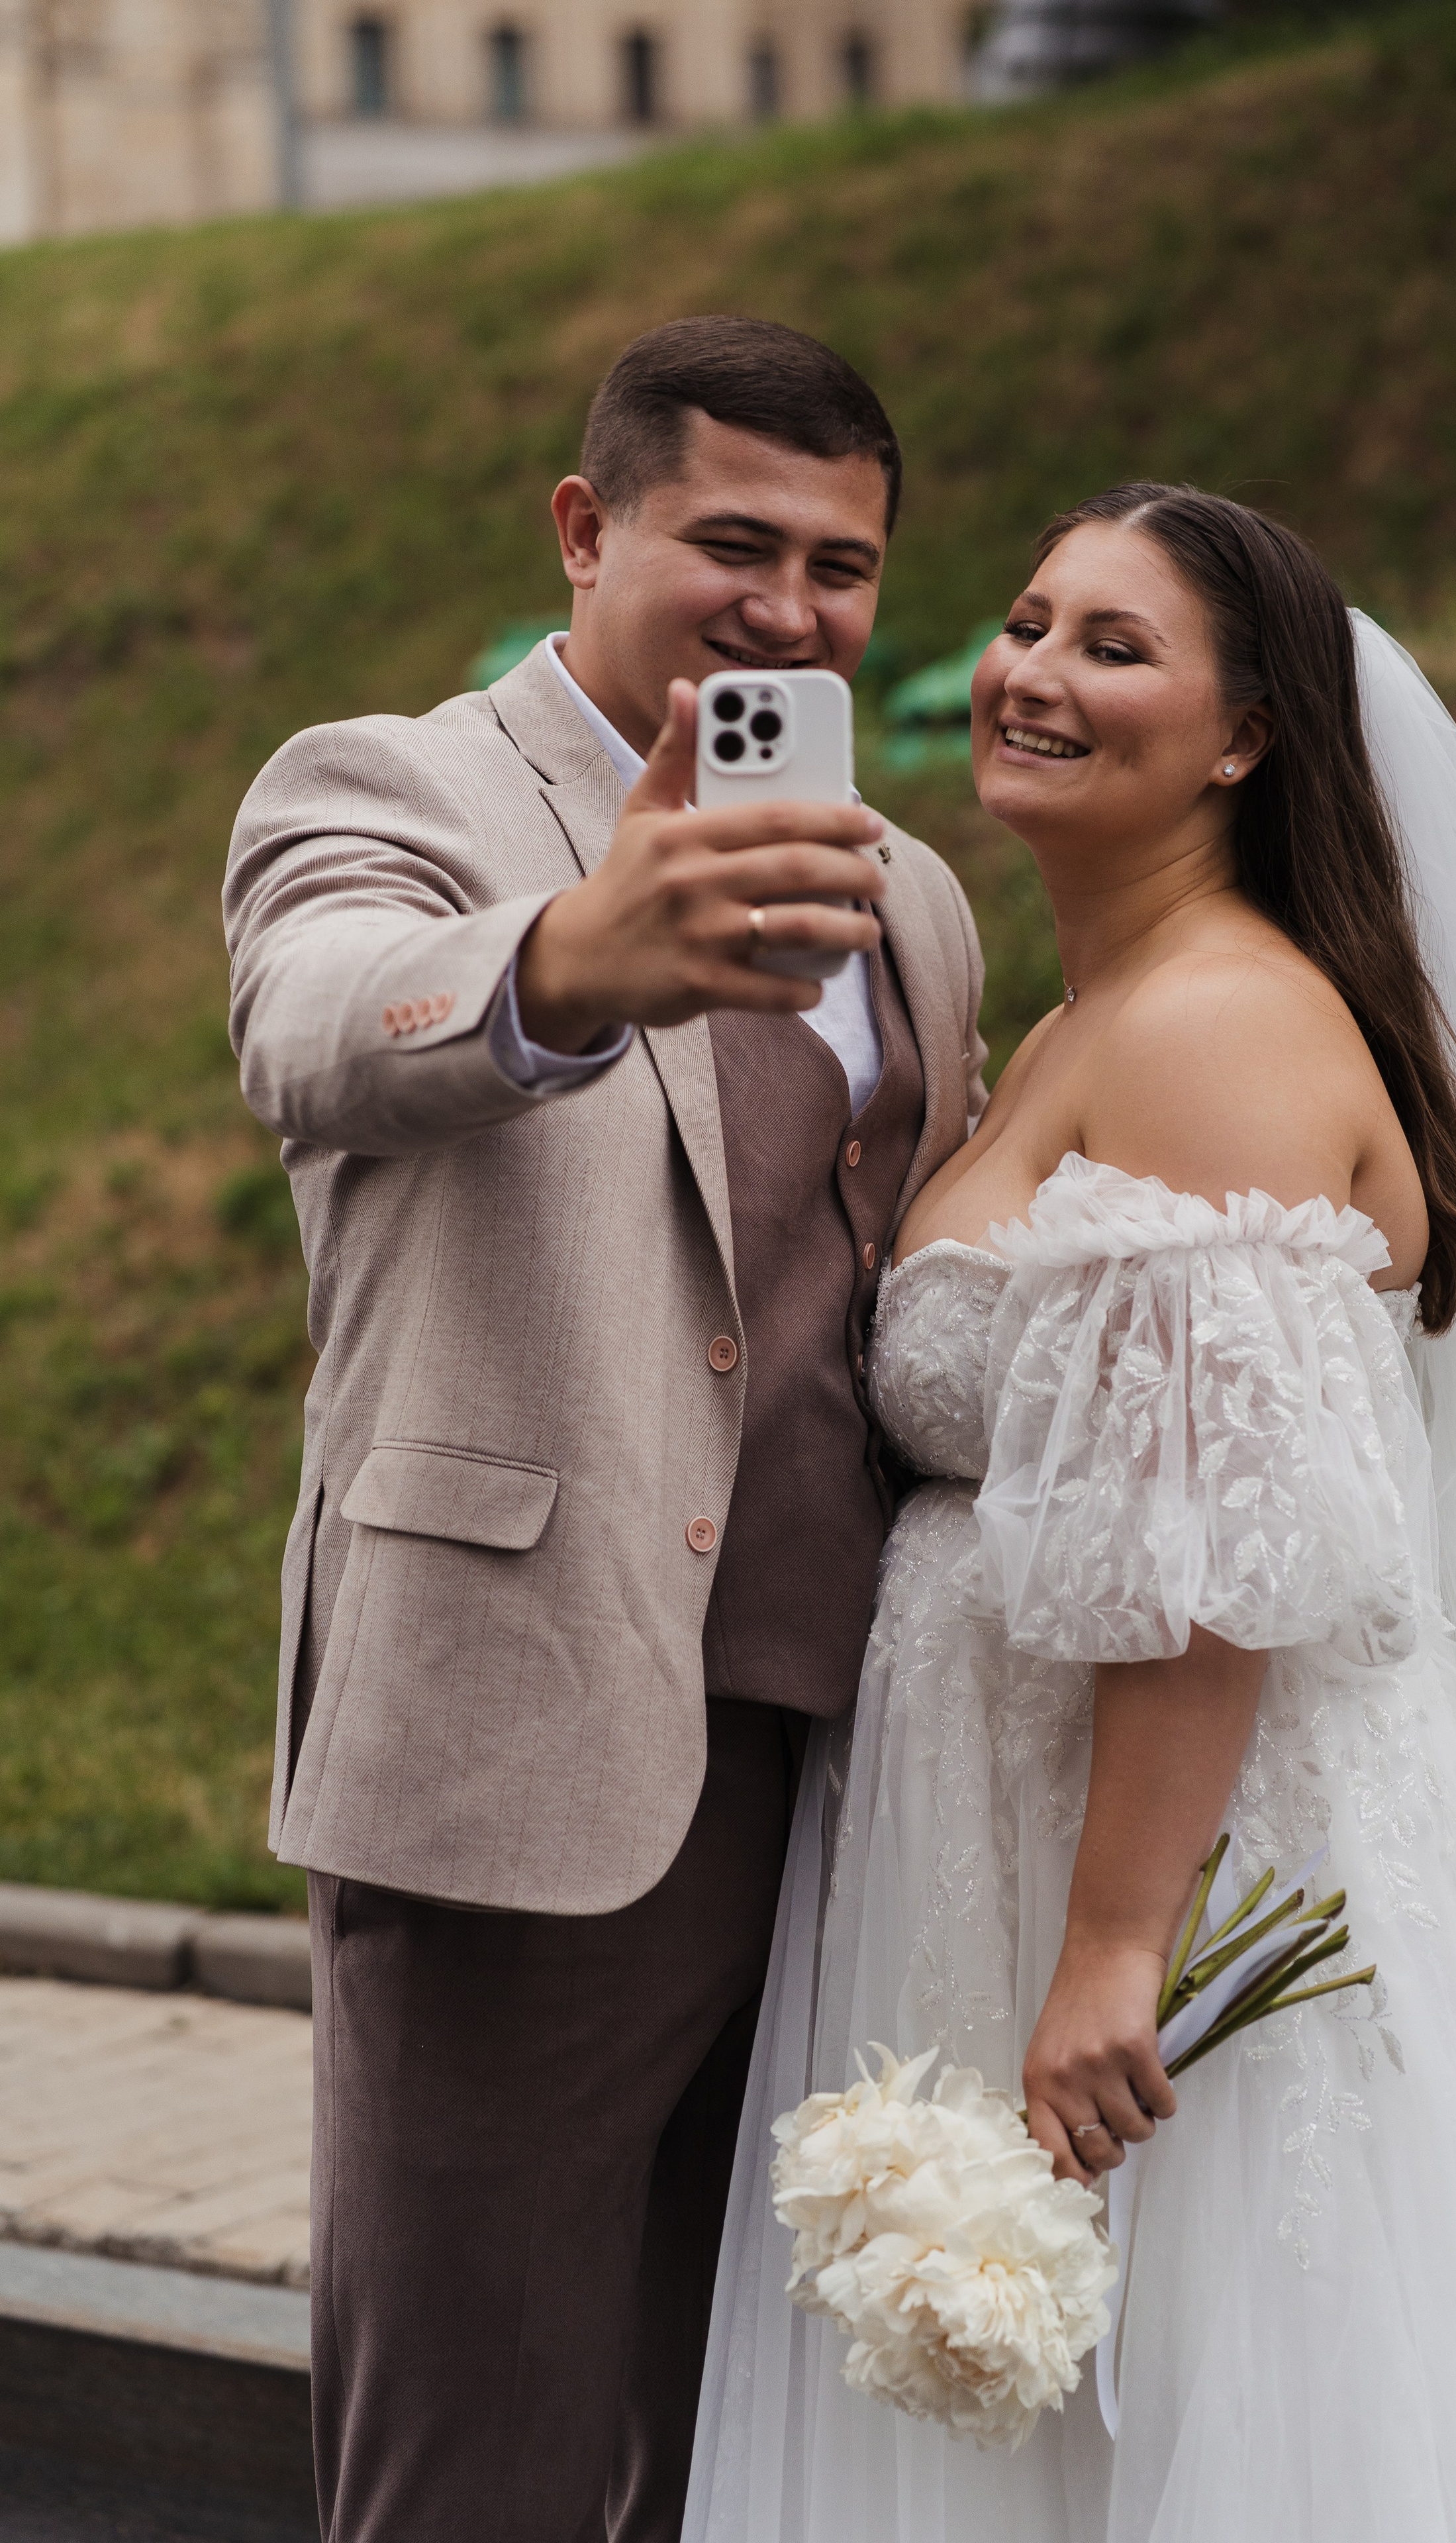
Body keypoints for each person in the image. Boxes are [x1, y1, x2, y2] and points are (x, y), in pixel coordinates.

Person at [683, 484, 1456, 2542]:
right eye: (1032, 621)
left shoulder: (1216, 1025)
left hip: (1197, 1887)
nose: (1035, 673)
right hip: (1036, 1833)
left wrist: (1116, 1949)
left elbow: (1222, 1549)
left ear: (1247, 737)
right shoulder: (1098, 1010)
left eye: (1115, 647)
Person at [222, 315, 987, 2543]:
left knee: (737, 2452)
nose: (789, 609)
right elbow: (310, 1028)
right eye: (733, 543)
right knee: (477, 2462)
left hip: (844, 1780)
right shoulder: (394, 788)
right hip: (519, 1756)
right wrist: (566, 962)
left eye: (842, 567)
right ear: (585, 527)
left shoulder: (912, 893)